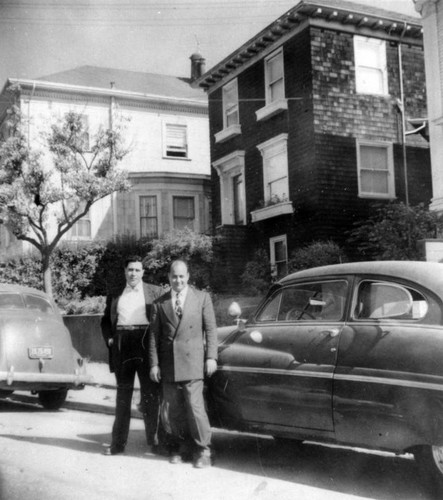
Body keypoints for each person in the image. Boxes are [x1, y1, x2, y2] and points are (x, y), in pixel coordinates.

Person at [149, 259, 218, 468]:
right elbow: (154, 336)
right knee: (172, 410)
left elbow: (211, 329)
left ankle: (204, 450)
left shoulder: (202, 298)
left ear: (188, 277)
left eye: (181, 276)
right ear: (169, 278)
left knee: (195, 408)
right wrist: (154, 364)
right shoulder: (159, 303)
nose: (178, 280)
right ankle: (177, 448)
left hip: (193, 363)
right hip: (169, 364)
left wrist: (211, 357)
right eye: (174, 276)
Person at [101, 255, 166, 456]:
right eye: (130, 270)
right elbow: (105, 321)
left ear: (143, 272)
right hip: (122, 343)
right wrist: (110, 338)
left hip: (145, 342)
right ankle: (117, 444)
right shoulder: (115, 294)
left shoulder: (154, 292)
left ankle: (154, 443)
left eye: (137, 270)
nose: (133, 274)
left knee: (150, 395)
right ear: (125, 271)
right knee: (123, 396)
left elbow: (162, 320)